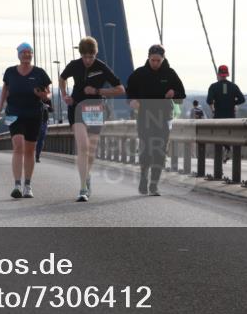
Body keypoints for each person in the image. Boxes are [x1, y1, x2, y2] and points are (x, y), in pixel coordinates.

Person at [59, 36, 125, 202]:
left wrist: (97, 91)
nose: (88, 60)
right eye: (85, 56)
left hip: (95, 109)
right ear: (81, 54)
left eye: (91, 56)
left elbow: (120, 89)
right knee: (83, 145)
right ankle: (82, 188)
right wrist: (65, 95)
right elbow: (62, 78)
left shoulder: (101, 67)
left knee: (91, 150)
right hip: (77, 108)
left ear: (95, 54)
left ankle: (87, 176)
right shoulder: (74, 65)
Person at [126, 45, 186, 196]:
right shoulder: (139, 73)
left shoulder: (170, 74)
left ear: (163, 59)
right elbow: (129, 92)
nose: (155, 63)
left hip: (164, 117)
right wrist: (132, 101)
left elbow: (181, 97)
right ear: (148, 58)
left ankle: (154, 185)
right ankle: (143, 178)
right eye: (153, 60)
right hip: (144, 116)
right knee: (146, 150)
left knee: (159, 151)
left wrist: (174, 93)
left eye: (158, 60)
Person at [0, 42, 52, 198]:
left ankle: (27, 185)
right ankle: (17, 185)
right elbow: (5, 88)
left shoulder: (40, 73)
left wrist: (43, 95)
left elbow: (47, 94)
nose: (26, 55)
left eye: (29, 52)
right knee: (18, 145)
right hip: (13, 113)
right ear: (18, 54)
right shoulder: (10, 72)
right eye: (23, 52)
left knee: (29, 150)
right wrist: (0, 105)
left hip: (34, 114)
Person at [207, 64, 245, 160]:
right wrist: (232, 103)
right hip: (230, 116)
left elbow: (209, 101)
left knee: (219, 135)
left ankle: (222, 154)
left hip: (218, 116)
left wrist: (214, 107)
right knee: (228, 134)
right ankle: (227, 149)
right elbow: (242, 99)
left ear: (218, 74)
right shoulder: (233, 86)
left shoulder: (213, 86)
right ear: (227, 74)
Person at [35, 98, 54, 163]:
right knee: (32, 139)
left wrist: (48, 107)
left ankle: (37, 156)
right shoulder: (33, 96)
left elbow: (51, 110)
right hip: (33, 121)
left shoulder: (47, 99)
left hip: (43, 122)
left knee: (41, 139)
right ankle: (30, 154)